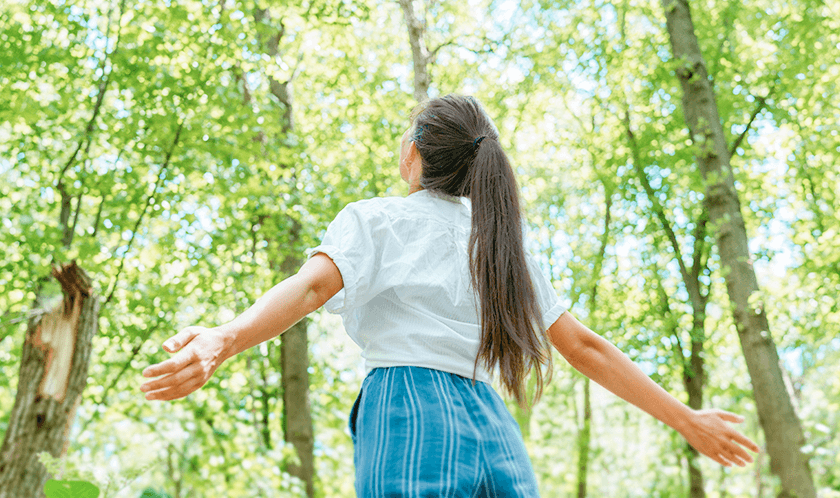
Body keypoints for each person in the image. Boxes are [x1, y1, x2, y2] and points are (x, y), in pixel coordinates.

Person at [141, 95, 760, 496]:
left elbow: (307, 290)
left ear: (412, 155)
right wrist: (687, 419)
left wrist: (224, 337)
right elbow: (585, 347)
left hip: (408, 405)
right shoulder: (504, 247)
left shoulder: (379, 219)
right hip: (490, 421)